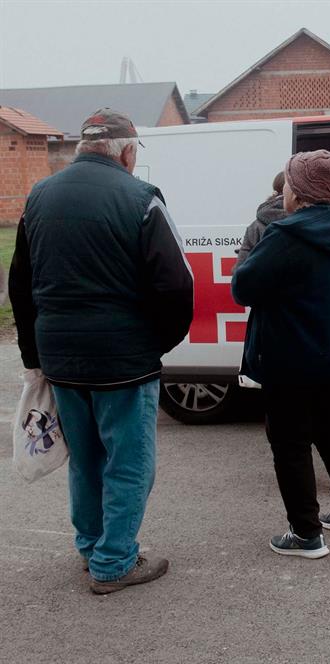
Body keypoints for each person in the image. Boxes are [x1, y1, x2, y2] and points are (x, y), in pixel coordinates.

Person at [9, 108, 194, 591]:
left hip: (61, 358)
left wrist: (34, 356)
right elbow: (176, 285)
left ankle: (92, 545)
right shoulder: (141, 198)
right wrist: (157, 343)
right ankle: (114, 562)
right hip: (124, 360)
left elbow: (20, 285)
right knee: (129, 463)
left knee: (86, 458)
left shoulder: (38, 197)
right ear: (127, 152)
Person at [232, 149, 330, 560]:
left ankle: (306, 533)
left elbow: (244, 288)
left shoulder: (287, 235)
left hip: (289, 355)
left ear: (297, 190)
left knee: (290, 442)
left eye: (290, 183)